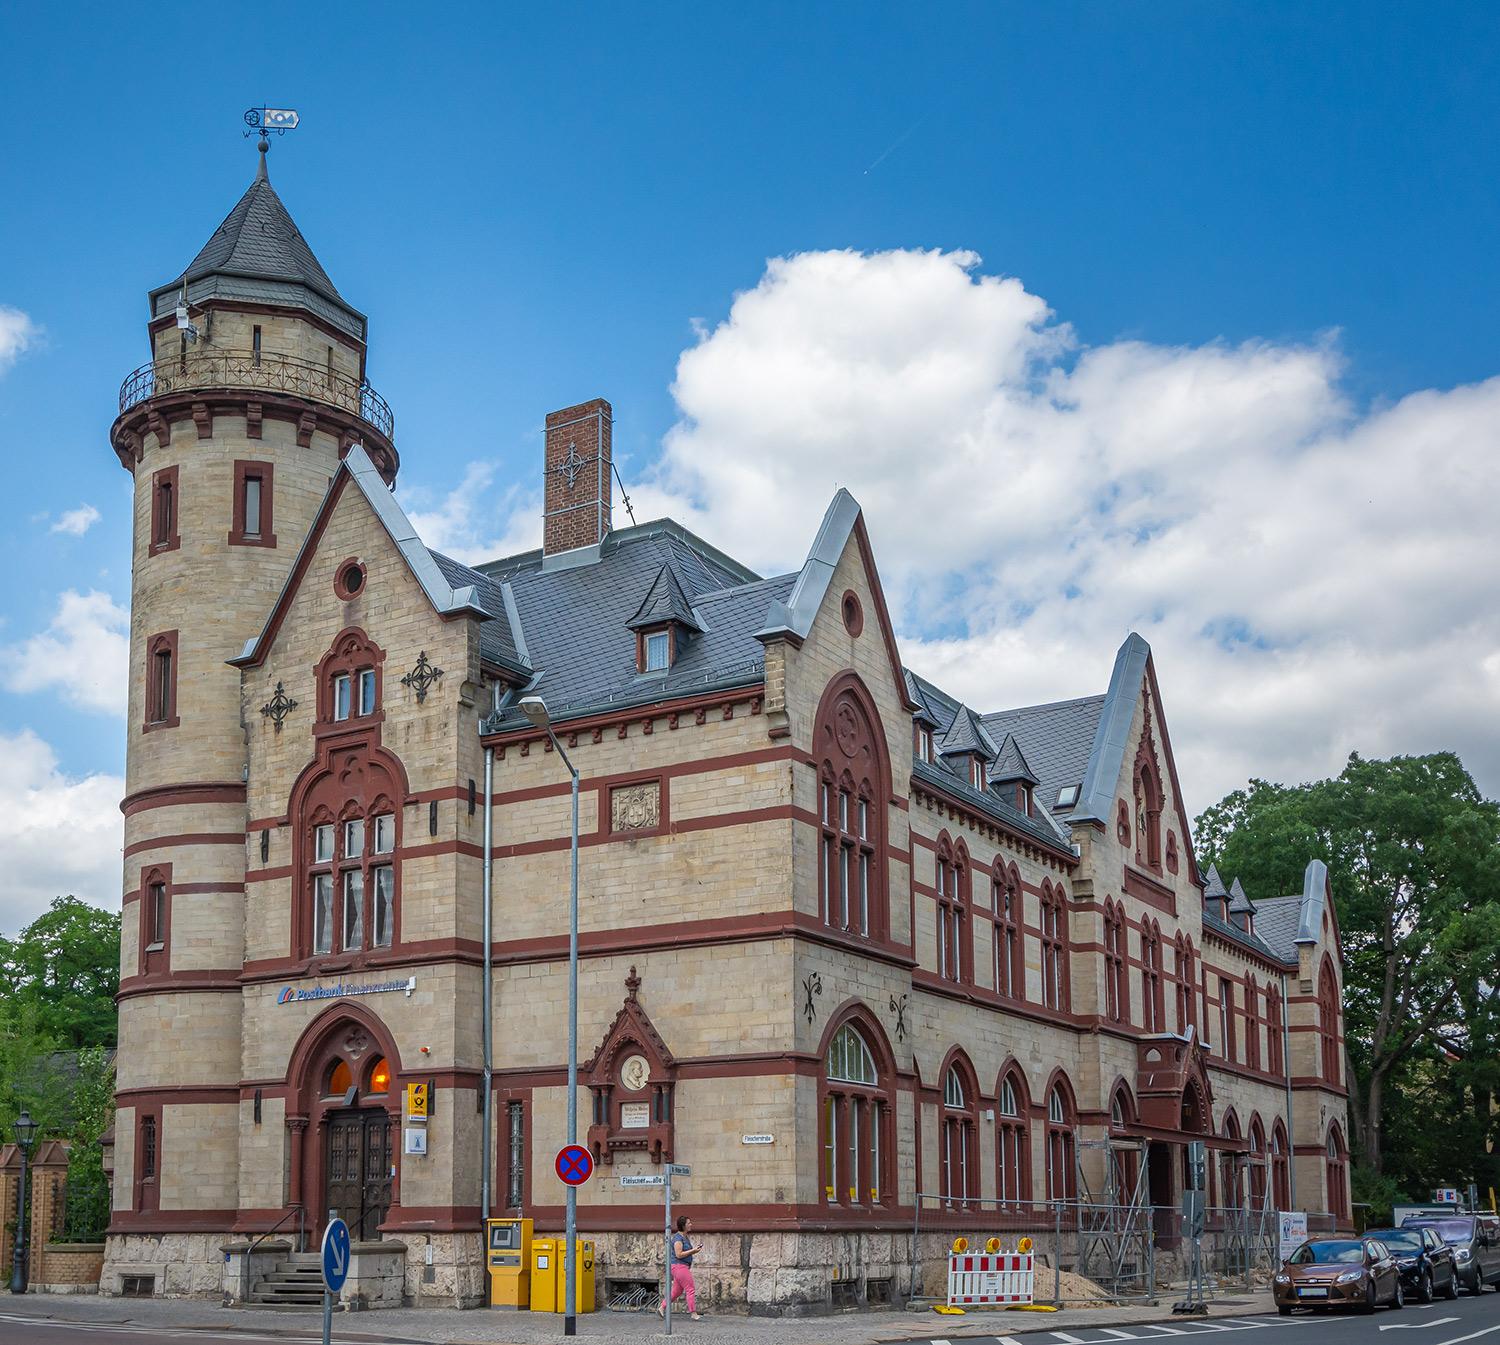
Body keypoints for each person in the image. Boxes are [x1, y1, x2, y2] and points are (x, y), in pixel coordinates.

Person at [658, 1214, 703, 1320]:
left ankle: (661, 1308)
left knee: (676, 1292)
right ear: (683, 1226)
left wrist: (693, 1251)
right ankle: (693, 1313)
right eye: (689, 1223)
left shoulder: (684, 1237)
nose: (691, 1225)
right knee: (690, 1289)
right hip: (679, 1267)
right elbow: (679, 1254)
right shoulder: (678, 1238)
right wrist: (693, 1250)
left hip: (681, 1267)